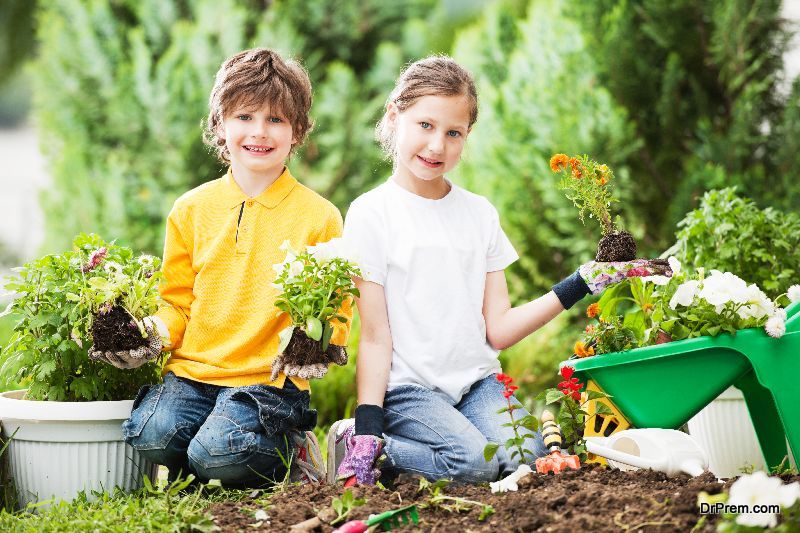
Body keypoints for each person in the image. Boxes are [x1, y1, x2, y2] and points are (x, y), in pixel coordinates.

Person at [331, 56, 670, 485]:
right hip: (408, 392)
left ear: (466, 136)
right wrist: (368, 424)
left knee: (528, 460)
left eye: (453, 133)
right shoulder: (371, 214)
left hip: (477, 385)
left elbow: (500, 330)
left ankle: (427, 450)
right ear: (395, 116)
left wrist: (581, 282)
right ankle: (361, 446)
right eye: (425, 126)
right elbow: (376, 338)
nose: (437, 146)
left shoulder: (479, 214)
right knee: (474, 463)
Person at [90, 48, 351, 487]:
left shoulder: (318, 216)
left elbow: (335, 307)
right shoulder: (191, 209)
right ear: (220, 124)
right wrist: (148, 334)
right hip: (193, 374)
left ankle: (290, 446)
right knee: (149, 435)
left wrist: (321, 345)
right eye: (245, 117)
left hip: (268, 382)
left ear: (298, 131)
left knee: (215, 456)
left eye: (276, 120)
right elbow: (176, 303)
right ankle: (218, 445)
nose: (259, 133)